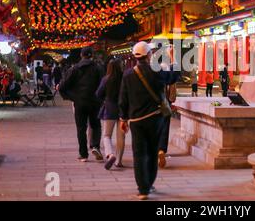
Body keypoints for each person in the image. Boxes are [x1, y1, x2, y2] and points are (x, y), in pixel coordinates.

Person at [119, 41, 180, 200]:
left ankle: (142, 189)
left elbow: (123, 99)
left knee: (139, 154)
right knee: (152, 152)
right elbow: (173, 77)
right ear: (149, 55)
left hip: (137, 120)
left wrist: (123, 118)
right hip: (155, 118)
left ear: (135, 56)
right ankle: (150, 183)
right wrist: (174, 59)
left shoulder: (127, 74)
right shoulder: (156, 70)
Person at [59, 47, 104, 162]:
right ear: (91, 55)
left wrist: (71, 97)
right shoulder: (98, 68)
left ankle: (83, 154)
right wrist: (101, 98)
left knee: (81, 128)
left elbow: (63, 86)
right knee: (96, 125)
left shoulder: (74, 69)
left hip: (79, 102)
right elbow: (103, 85)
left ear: (81, 55)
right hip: (94, 102)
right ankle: (95, 146)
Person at [95, 59, 126, 170]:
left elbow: (98, 94)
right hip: (123, 109)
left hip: (109, 108)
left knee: (107, 135)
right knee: (121, 136)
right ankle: (119, 161)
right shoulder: (125, 79)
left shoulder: (106, 79)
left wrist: (104, 99)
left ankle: (110, 154)